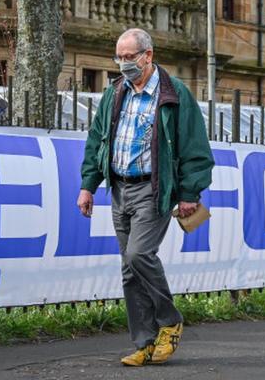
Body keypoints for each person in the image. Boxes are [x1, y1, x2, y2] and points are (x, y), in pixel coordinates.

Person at [78, 28, 214, 366]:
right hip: (119, 187)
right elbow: (98, 141)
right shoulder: (115, 93)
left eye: (129, 58)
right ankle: (145, 342)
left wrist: (188, 193)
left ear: (148, 56)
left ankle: (170, 321)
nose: (123, 64)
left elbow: (196, 150)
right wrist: (88, 185)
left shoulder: (174, 95)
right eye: (119, 58)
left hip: (153, 188)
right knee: (129, 269)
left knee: (139, 254)